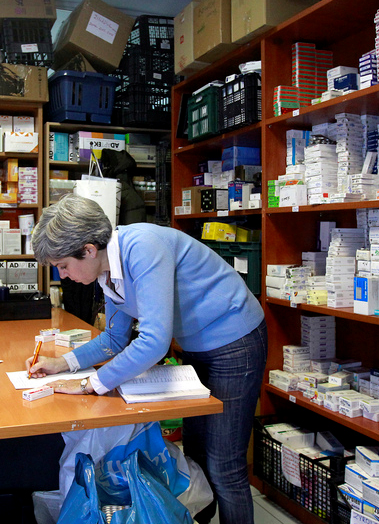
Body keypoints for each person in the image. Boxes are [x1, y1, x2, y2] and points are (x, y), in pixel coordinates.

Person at [27, 194, 267, 524]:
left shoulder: (142, 247)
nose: (63, 275)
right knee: (196, 456)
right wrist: (63, 363)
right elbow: (113, 340)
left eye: (63, 265)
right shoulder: (107, 271)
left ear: (88, 249)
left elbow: (153, 342)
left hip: (235, 340)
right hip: (197, 346)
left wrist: (90, 383)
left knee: (224, 465)